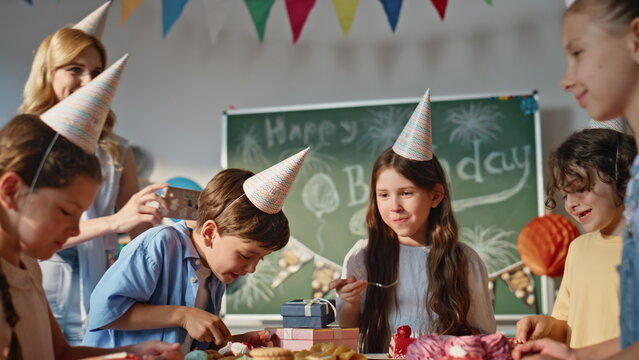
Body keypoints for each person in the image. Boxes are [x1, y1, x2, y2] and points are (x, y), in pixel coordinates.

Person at [0, 56, 180, 360]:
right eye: (67, 212)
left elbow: (60, 354)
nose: (75, 229)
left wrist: (130, 353)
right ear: (11, 190)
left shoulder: (28, 267)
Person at [20, 8, 166, 344]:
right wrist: (114, 222)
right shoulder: (23, 144)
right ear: (48, 73)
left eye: (97, 72)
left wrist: (163, 223)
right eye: (75, 69)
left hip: (102, 293)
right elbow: (25, 234)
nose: (88, 81)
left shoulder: (116, 151)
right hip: (38, 289)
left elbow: (138, 233)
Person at [82, 149, 310, 353]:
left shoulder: (216, 273)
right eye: (246, 255)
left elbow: (193, 343)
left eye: (260, 259)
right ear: (210, 233)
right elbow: (104, 312)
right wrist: (183, 315)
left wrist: (233, 343)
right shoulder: (160, 244)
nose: (251, 269)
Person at [513, 0, 639, 358]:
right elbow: (575, 323)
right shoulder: (579, 249)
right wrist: (556, 336)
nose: (567, 79)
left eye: (578, 52)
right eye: (566, 193)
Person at [332, 90, 496, 353]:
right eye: (383, 195)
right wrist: (348, 302)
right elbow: (349, 332)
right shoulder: (363, 256)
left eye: (406, 193)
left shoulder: (464, 259)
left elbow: (483, 335)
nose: (394, 205)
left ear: (435, 196)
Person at [515, 126, 635, 349]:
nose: (570, 204)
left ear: (623, 180)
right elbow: (566, 325)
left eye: (580, 189)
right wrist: (546, 326)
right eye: (565, 194)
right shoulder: (578, 248)